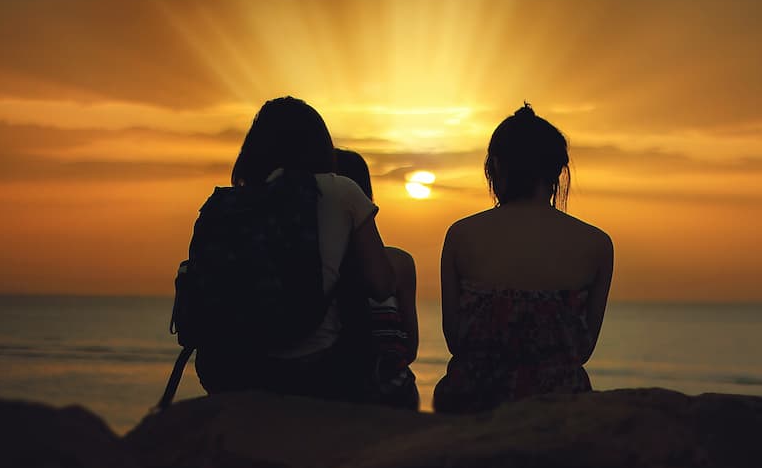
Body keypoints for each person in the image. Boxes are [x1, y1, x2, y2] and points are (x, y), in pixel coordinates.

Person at [193, 96, 396, 399]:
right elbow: (381, 285)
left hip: (235, 362)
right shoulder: (341, 190)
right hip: (316, 363)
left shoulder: (231, 203)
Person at [433, 103, 613, 413]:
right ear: (558, 171)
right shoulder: (597, 243)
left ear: (496, 168)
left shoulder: (461, 234)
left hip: (476, 400)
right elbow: (582, 350)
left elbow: (455, 340)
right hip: (558, 406)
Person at [334, 148, 420, 409]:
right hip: (391, 393)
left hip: (337, 391)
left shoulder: (317, 265)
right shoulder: (399, 263)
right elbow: (411, 348)